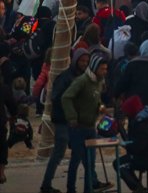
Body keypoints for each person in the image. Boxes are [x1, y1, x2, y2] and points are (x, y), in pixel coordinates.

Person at [41, 49, 91, 193]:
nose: (84, 64)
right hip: (63, 120)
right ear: (76, 60)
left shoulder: (82, 77)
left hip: (75, 121)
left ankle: (81, 185)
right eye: (82, 61)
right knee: (59, 152)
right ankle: (46, 185)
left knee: (78, 154)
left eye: (86, 62)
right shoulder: (66, 77)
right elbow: (57, 97)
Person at [62, 54, 109, 193]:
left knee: (90, 163)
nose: (104, 72)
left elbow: (96, 98)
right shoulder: (82, 81)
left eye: (106, 69)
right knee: (76, 160)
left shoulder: (99, 82)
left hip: (90, 127)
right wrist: (72, 117)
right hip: (78, 128)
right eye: (102, 69)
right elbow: (66, 97)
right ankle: (71, 189)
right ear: (94, 68)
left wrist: (100, 106)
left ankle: (88, 189)